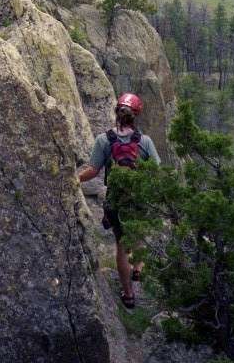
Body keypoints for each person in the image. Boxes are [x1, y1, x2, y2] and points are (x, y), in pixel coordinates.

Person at [79, 93, 160, 310]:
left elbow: (93, 171)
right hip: (140, 200)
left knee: (122, 247)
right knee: (140, 234)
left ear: (116, 113)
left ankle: (128, 294)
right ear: (136, 116)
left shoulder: (104, 140)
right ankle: (139, 268)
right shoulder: (145, 142)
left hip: (116, 202)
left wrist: (73, 179)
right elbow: (157, 172)